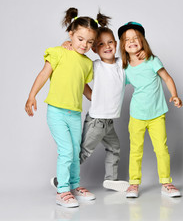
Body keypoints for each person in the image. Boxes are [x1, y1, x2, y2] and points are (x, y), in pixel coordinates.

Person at [51, 14, 146, 192]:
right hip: (96, 121)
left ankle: (110, 179)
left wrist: (140, 52)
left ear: (116, 45)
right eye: (101, 44)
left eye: (110, 42)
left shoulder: (121, 65)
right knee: (83, 152)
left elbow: (136, 61)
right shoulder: (95, 66)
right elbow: (77, 70)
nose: (107, 46)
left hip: (109, 122)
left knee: (115, 148)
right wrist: (67, 45)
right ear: (94, 49)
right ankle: (61, 180)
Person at [25, 7, 99, 208]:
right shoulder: (58, 52)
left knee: (75, 151)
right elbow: (43, 74)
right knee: (66, 150)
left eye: (90, 42)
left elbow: (83, 85)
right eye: (80, 39)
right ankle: (62, 190)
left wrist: (97, 99)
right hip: (57, 112)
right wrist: (32, 96)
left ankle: (74, 185)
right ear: (71, 34)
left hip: (75, 114)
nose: (84, 44)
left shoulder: (86, 63)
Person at [118, 22, 182, 198]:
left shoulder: (152, 60)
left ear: (143, 41)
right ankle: (134, 184)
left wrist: (175, 95)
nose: (132, 41)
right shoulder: (125, 68)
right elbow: (115, 86)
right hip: (136, 115)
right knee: (135, 150)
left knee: (161, 149)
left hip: (156, 114)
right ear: (123, 46)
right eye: (127, 39)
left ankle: (166, 182)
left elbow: (167, 78)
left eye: (136, 38)